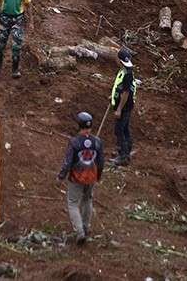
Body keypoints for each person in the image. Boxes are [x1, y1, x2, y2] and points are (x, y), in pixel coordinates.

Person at [57, 112, 104, 245]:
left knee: (72, 203)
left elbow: (68, 162)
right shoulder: (97, 141)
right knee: (87, 200)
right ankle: (86, 226)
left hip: (76, 178)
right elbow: (101, 162)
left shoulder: (74, 142)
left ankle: (80, 232)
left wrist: (61, 176)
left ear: (79, 125)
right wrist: (98, 176)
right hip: (91, 177)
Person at [0, 0, 31, 78]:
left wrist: (30, 21)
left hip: (18, 18)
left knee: (16, 45)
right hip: (5, 17)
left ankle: (15, 69)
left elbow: (28, 6)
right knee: (0, 43)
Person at [111, 48, 137, 166]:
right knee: (125, 129)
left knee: (119, 130)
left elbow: (126, 93)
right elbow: (120, 88)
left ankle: (123, 156)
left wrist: (119, 109)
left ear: (120, 60)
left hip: (125, 107)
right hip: (126, 105)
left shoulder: (127, 74)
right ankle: (126, 150)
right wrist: (112, 96)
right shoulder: (126, 71)